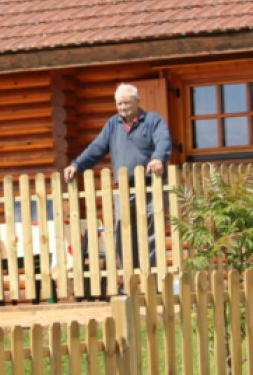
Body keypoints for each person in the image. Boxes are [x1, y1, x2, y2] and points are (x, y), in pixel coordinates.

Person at [63, 83, 172, 269]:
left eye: (127, 103)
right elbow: (96, 148)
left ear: (138, 101)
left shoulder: (153, 120)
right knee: (123, 229)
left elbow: (164, 140)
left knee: (153, 229)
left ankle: (152, 275)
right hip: (124, 187)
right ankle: (128, 277)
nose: (123, 108)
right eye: (119, 104)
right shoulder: (113, 124)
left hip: (151, 185)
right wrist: (77, 165)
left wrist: (157, 159)